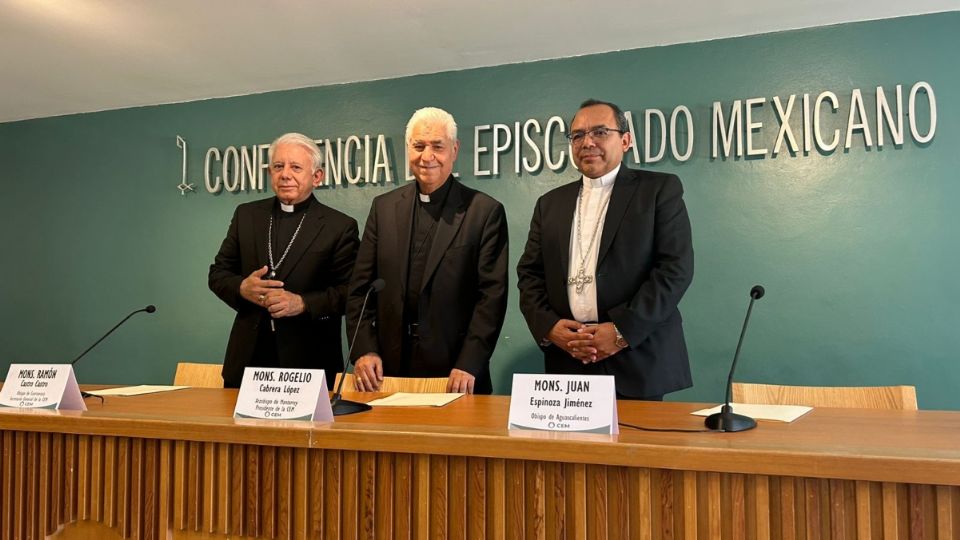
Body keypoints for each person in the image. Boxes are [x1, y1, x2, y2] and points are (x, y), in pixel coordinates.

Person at [516, 99, 694, 400]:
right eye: (578, 135)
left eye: (600, 132)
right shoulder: (550, 204)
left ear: (625, 140)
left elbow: (674, 269)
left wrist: (622, 331)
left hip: (637, 359)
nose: (587, 142)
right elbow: (530, 274)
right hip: (568, 360)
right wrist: (550, 327)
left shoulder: (658, 190)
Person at [347, 107, 509, 394]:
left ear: (455, 150)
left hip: (455, 373)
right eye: (419, 146)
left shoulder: (484, 212)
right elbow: (360, 290)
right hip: (387, 371)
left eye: (438, 146)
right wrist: (364, 350)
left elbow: (491, 299)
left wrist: (470, 363)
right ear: (407, 148)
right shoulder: (383, 208)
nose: (427, 156)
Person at [209, 132, 359, 389]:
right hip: (247, 360)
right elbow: (218, 274)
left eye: (296, 167)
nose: (285, 174)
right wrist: (242, 287)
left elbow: (351, 292)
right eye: (278, 166)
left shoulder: (339, 226)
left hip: (309, 361)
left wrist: (302, 303)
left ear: (317, 177)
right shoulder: (247, 216)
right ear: (270, 173)